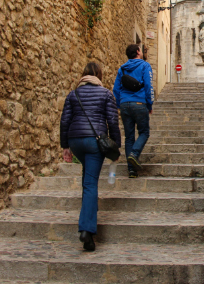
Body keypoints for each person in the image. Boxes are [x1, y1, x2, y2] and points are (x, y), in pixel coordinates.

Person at [60, 62, 120, 252]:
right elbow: (112, 121)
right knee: (91, 183)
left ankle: (89, 218)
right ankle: (86, 230)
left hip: (76, 141)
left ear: (84, 75)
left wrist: (65, 147)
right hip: (95, 142)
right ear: (99, 75)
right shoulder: (106, 94)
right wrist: (116, 146)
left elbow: (65, 121)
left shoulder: (73, 94)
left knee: (88, 178)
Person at [113, 44, 154, 178]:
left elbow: (116, 89)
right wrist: (149, 104)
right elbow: (148, 86)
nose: (141, 51)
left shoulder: (122, 68)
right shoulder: (145, 66)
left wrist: (121, 104)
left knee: (129, 136)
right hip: (139, 102)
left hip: (125, 104)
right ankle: (134, 154)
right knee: (144, 132)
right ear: (137, 52)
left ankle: (131, 170)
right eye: (140, 50)